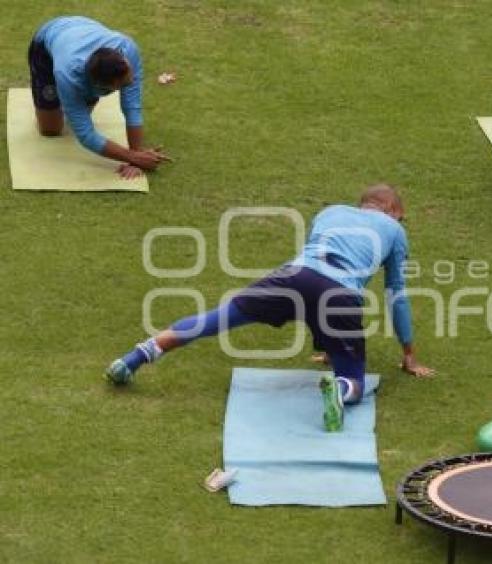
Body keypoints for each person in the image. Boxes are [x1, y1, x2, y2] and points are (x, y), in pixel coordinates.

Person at [106, 184, 435, 431]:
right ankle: (340, 390)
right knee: (356, 382)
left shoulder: (330, 212)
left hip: (292, 277)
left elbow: (312, 282)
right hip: (339, 293)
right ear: (392, 209)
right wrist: (408, 354)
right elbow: (397, 295)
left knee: (217, 318)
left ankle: (132, 358)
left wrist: (326, 348)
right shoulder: (395, 230)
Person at [28, 16, 169, 179]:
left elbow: (132, 107)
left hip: (82, 28)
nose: (130, 84)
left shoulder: (127, 50)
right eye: (122, 85)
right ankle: (60, 98)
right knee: (50, 130)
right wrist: (132, 157)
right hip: (47, 41)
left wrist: (136, 152)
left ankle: (69, 101)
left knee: (79, 115)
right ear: (102, 85)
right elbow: (86, 135)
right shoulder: (67, 74)